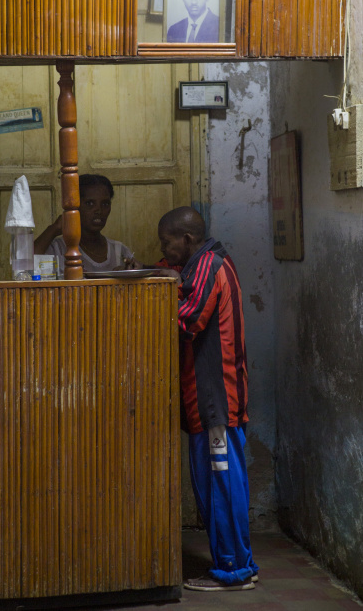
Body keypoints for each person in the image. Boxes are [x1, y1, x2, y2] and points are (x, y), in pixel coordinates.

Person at [157, 206, 259, 592]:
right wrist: (164, 273)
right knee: (218, 480)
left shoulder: (207, 265)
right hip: (214, 397)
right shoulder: (206, 261)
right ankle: (234, 563)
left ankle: (235, 569)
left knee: (222, 482)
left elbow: (187, 318)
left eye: (167, 242)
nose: (163, 250)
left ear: (186, 240)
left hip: (215, 397)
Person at [34, 174, 133, 275]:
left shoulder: (119, 251)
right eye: (90, 203)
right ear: (75, 206)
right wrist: (54, 229)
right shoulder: (58, 248)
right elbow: (25, 267)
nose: (99, 210)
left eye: (105, 204)